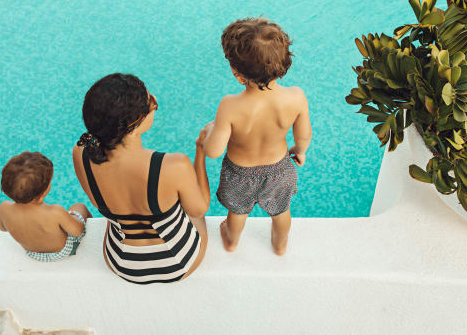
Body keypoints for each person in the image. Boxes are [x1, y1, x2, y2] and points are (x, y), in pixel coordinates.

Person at [72, 73, 210, 284]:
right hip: (176, 263)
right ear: (135, 122)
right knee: (196, 217)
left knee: (119, 210)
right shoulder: (172, 165)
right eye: (151, 102)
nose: (154, 103)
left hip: (120, 262)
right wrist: (200, 150)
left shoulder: (82, 153)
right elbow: (199, 208)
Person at [202, 17, 312, 256]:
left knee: (237, 213)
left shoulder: (230, 106)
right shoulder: (295, 96)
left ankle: (231, 242)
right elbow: (303, 135)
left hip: (240, 174)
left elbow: (213, 151)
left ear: (237, 73)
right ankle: (280, 245)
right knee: (281, 211)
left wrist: (210, 132)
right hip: (279, 169)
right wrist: (300, 150)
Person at [0, 152, 91, 261]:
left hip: (32, 252)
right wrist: (73, 218)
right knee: (79, 206)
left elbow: (2, 228)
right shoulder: (55, 212)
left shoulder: (4, 208)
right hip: (61, 252)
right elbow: (77, 231)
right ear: (42, 195)